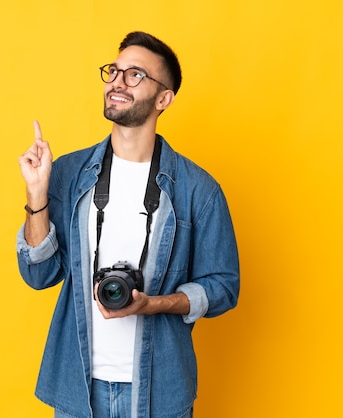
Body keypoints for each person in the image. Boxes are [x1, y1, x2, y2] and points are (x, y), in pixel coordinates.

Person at [17, 31, 239, 418]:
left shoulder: (197, 190)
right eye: (114, 71)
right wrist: (37, 194)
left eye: (135, 75)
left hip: (161, 390)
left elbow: (223, 287)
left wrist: (156, 304)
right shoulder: (67, 173)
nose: (118, 82)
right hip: (77, 388)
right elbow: (38, 275)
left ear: (164, 98)